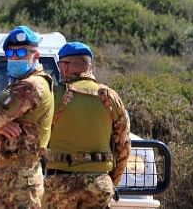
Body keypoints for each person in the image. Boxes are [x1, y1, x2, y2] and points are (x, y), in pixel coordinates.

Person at [0, 25, 54, 208]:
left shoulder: (30, 86)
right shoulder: (18, 85)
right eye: (11, 53)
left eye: (23, 52)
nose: (15, 57)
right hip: (11, 176)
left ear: (36, 55)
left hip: (21, 179)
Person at [42, 42, 131, 209]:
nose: (60, 69)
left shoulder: (53, 96)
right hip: (99, 185)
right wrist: (112, 182)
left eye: (61, 64)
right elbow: (123, 147)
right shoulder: (111, 97)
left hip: (60, 185)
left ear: (67, 67)